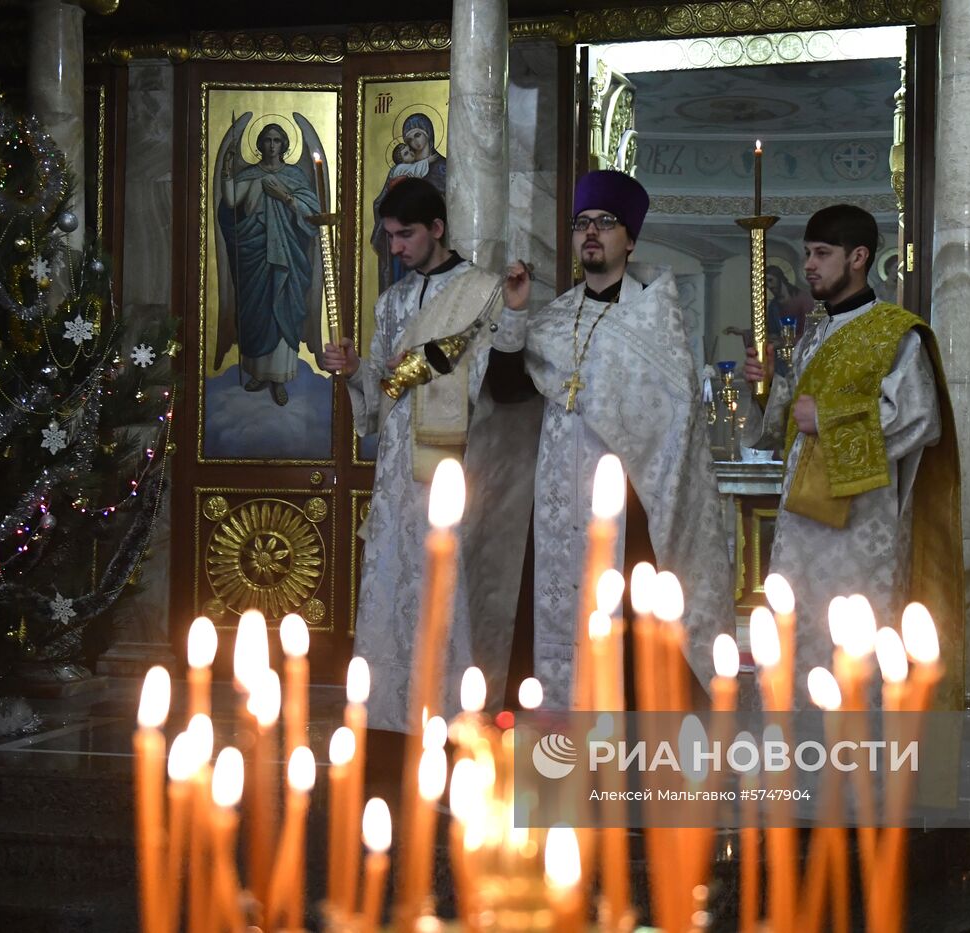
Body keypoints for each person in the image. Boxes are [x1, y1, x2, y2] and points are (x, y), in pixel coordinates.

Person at [496, 169, 736, 708]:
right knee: (549, 628)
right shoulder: (554, 318)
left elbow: (673, 422)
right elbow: (508, 390)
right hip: (557, 505)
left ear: (630, 238)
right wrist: (514, 313)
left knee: (631, 643)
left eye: (605, 222)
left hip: (631, 507)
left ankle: (627, 772)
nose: (591, 232)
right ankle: (554, 765)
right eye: (582, 222)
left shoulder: (655, 320)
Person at [321, 178, 528, 734]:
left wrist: (507, 319)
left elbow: (500, 383)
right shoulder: (390, 302)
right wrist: (354, 371)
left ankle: (454, 718)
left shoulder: (484, 292)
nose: (396, 248)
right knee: (394, 584)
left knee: (448, 583)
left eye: (405, 235)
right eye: (389, 237)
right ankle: (389, 719)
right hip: (396, 474)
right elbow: (384, 396)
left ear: (437, 229)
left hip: (457, 466)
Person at [741, 204, 963, 708]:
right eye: (806, 255)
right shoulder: (815, 334)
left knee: (854, 654)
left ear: (859, 256)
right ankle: (798, 764)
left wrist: (829, 418)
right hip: (803, 524)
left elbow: (920, 419)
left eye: (822, 254)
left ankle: (860, 771)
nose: (809, 266)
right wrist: (770, 388)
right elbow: (788, 426)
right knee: (798, 644)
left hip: (862, 531)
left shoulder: (895, 333)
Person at [215, 122, 322, 407]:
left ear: (284, 145)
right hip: (255, 257)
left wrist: (285, 198)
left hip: (287, 256)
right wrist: (226, 169)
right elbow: (230, 202)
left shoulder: (294, 176)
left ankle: (280, 378)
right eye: (267, 140)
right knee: (256, 312)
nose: (272, 145)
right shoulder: (250, 175)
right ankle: (259, 374)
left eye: (277, 140)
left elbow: (312, 214)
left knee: (283, 308)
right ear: (259, 144)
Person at [371, 113, 449, 293]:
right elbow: (381, 205)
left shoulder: (443, 166)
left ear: (428, 134)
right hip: (403, 259)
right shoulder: (399, 171)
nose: (415, 142)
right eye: (409, 139)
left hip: (433, 246)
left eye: (418, 135)